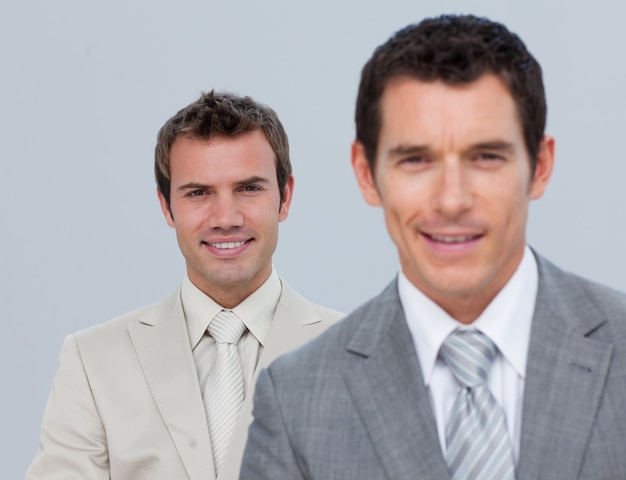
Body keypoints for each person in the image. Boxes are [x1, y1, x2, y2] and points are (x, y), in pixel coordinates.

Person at [241, 14, 626, 479]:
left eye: (486, 157)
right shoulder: (295, 403)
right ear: (366, 174)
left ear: (540, 166)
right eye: (416, 160)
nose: (451, 200)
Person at [26, 91, 342, 480]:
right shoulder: (93, 362)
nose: (225, 218)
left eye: (249, 188)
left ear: (285, 197)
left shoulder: (360, 357)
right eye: (198, 193)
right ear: (166, 206)